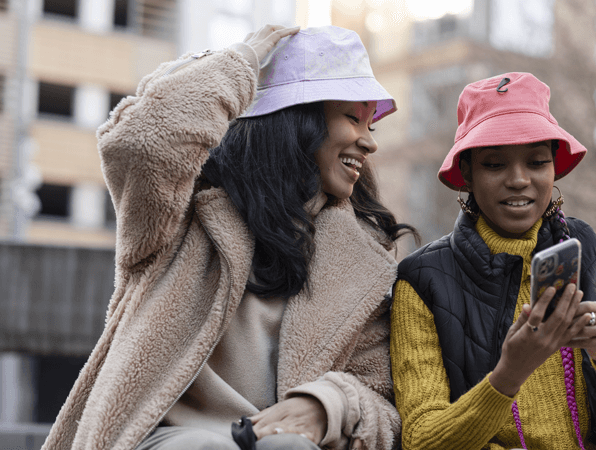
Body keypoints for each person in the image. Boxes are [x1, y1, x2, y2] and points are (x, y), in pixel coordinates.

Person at [43, 25, 413, 450]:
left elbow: (386, 403)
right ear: (297, 117)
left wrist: (330, 406)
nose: (369, 143)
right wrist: (239, 63)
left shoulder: (363, 259)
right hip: (162, 440)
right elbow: (140, 142)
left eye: (372, 125)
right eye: (353, 117)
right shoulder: (179, 214)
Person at [390, 72, 596, 449]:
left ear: (554, 169)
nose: (519, 180)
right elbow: (422, 441)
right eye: (494, 165)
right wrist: (511, 372)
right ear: (467, 175)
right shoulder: (422, 283)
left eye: (537, 162)